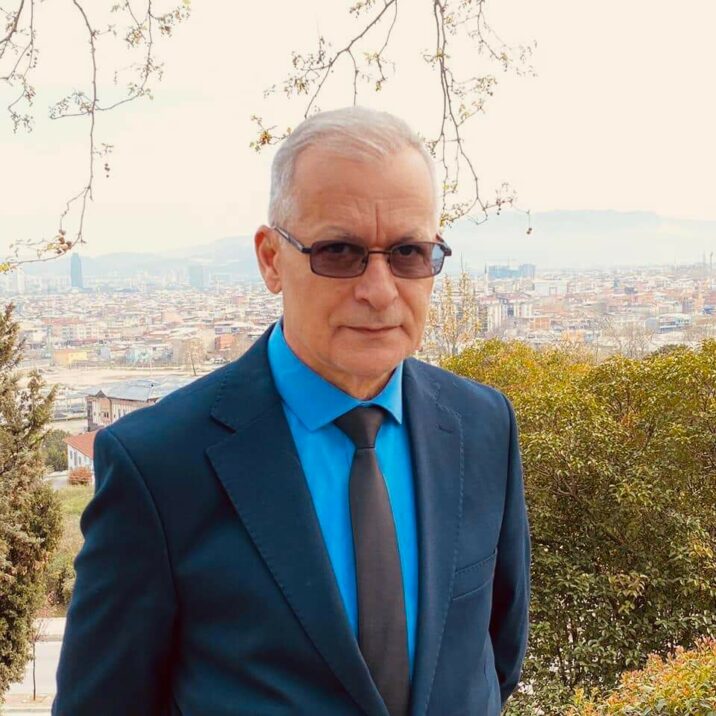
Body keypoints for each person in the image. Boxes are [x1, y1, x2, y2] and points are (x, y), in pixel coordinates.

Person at [53, 106, 531, 716]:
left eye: (409, 252)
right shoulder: (159, 465)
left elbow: (495, 657)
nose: (379, 289)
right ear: (271, 259)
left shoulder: (483, 426)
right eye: (339, 251)